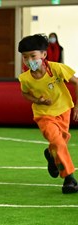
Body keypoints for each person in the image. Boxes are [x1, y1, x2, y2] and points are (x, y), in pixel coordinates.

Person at [18, 34, 78, 194]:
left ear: (43, 55)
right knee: (58, 142)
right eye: (25, 57)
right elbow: (25, 94)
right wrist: (38, 100)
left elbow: (77, 82)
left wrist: (77, 106)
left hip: (64, 110)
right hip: (43, 115)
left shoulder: (57, 69)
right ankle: (69, 178)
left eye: (33, 56)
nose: (29, 60)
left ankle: (51, 155)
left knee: (60, 143)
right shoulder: (25, 78)